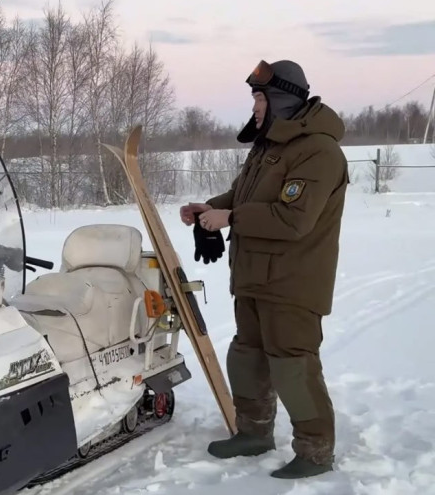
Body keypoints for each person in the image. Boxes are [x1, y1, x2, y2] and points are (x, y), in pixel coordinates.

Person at [179, 59, 349, 479]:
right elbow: (242, 194)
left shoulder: (319, 151)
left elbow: (295, 219)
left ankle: (315, 451)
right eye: (254, 97)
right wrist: (211, 207)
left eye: (260, 97)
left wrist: (232, 219)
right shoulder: (269, 146)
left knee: (293, 366)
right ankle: (253, 433)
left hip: (293, 283)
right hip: (253, 276)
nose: (255, 105)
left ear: (282, 99)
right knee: (247, 358)